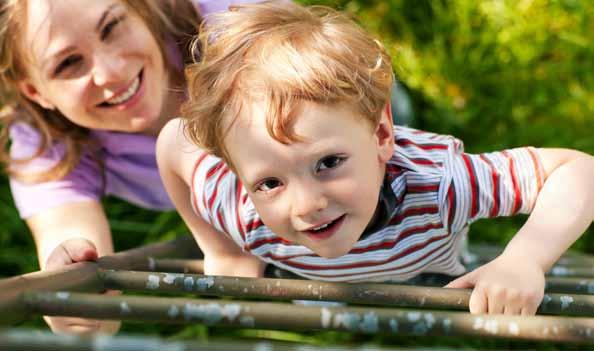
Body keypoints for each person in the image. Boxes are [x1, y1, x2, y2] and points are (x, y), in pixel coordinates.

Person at [157, 1, 594, 316]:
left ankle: (390, 109)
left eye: (327, 163)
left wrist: (526, 258)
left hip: (424, 259)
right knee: (340, 127)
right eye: (270, 182)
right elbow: (174, 141)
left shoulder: (440, 185)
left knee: (358, 115)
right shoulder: (243, 210)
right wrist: (223, 251)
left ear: (384, 135)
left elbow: (579, 170)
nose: (307, 204)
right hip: (348, 203)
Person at [0, 0, 262, 335]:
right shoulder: (45, 142)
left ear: (143, 8)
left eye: (110, 27)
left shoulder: (232, 25)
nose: (111, 73)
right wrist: (78, 294)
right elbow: (68, 233)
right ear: (36, 92)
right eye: (68, 63)